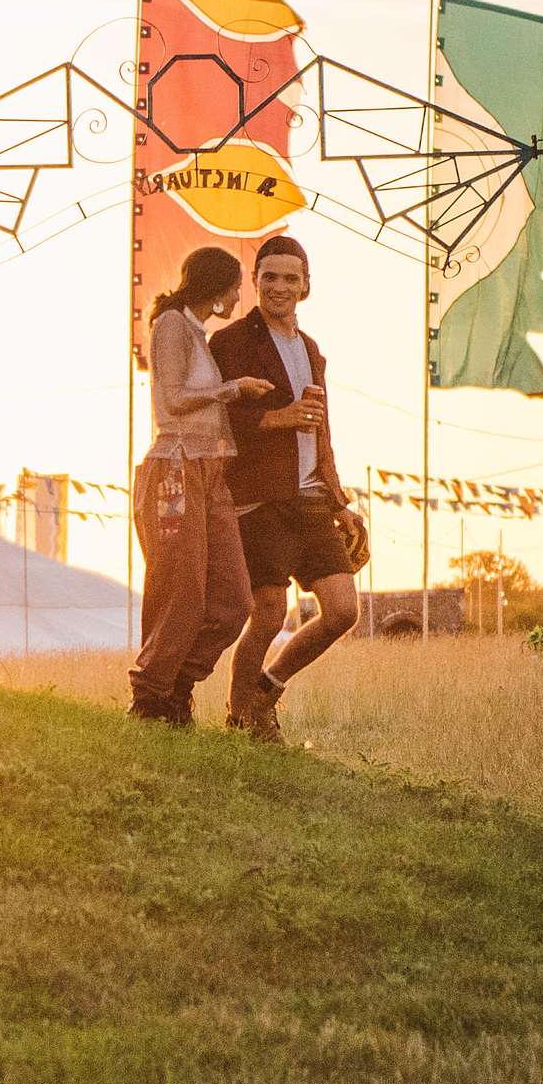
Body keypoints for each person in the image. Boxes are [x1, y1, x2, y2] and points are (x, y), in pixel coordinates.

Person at [209, 234, 362, 742]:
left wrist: (340, 502)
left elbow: (321, 430)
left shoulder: (311, 349)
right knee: (270, 613)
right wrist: (279, 417)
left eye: (290, 278)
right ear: (254, 282)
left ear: (305, 285)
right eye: (269, 277)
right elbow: (217, 420)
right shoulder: (230, 342)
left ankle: (266, 688)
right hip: (259, 499)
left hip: (312, 498)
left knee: (343, 611)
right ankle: (240, 721)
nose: (279, 286)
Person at [129, 246, 276, 725]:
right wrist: (234, 388)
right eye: (234, 288)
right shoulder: (171, 324)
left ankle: (176, 685)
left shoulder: (196, 332)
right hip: (175, 469)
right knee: (181, 589)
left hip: (212, 472)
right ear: (214, 289)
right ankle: (151, 698)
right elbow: (171, 401)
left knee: (234, 599)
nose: (237, 298)